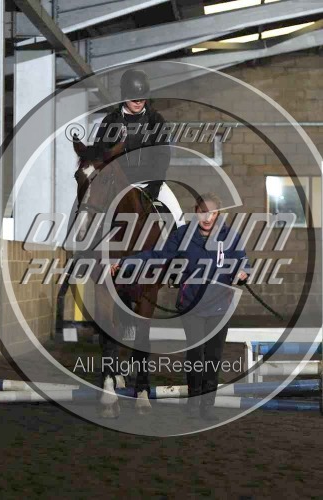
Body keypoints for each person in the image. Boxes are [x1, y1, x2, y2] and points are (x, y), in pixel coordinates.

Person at [110, 193, 249, 421]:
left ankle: (207, 406)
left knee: (213, 357)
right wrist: (124, 262)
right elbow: (157, 255)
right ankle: (193, 405)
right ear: (196, 211)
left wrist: (244, 273)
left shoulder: (231, 236)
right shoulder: (183, 235)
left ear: (218, 214)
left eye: (212, 213)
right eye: (203, 212)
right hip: (192, 305)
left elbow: (243, 261)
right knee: (195, 355)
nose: (207, 218)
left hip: (220, 308)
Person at [94, 68, 174, 204]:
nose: (138, 102)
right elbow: (100, 154)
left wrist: (156, 183)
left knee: (177, 217)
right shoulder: (110, 121)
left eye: (142, 98)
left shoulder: (156, 119)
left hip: (150, 182)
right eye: (134, 99)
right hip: (117, 184)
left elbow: (162, 154)